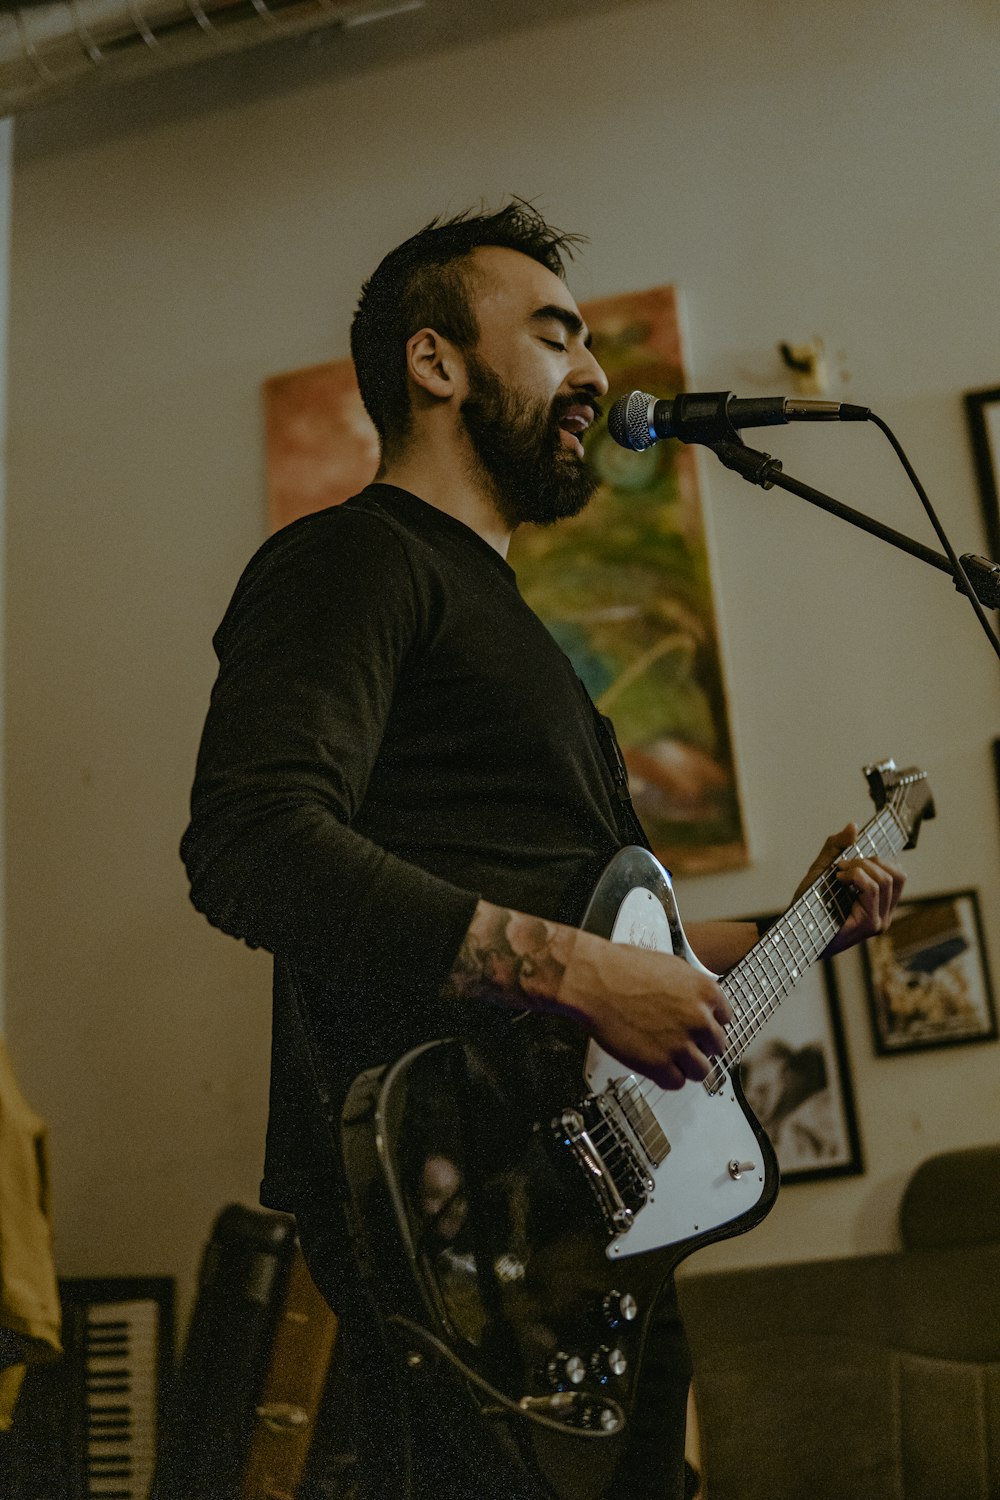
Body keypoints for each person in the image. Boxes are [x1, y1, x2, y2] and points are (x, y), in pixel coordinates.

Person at [180, 201, 904, 1500]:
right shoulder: (350, 560)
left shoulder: (506, 622)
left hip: (582, 1219)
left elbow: (616, 939)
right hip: (463, 1216)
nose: (593, 375)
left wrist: (803, 923)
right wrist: (575, 974)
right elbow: (251, 839)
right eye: (557, 335)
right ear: (436, 362)